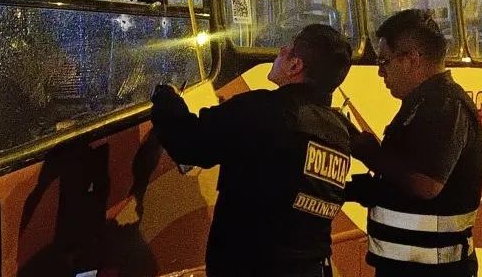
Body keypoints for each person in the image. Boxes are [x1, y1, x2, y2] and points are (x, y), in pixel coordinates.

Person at [150, 24, 355, 277]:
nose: (280, 49)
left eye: (288, 48)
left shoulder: (265, 110)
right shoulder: (338, 130)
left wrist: (165, 97)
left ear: (295, 66)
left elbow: (189, 144)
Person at [348, 9, 482, 277]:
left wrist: (371, 155)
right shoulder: (419, 104)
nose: (380, 72)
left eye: (384, 61)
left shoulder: (446, 105)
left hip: (435, 271)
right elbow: (403, 178)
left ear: (411, 59)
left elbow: (426, 185)